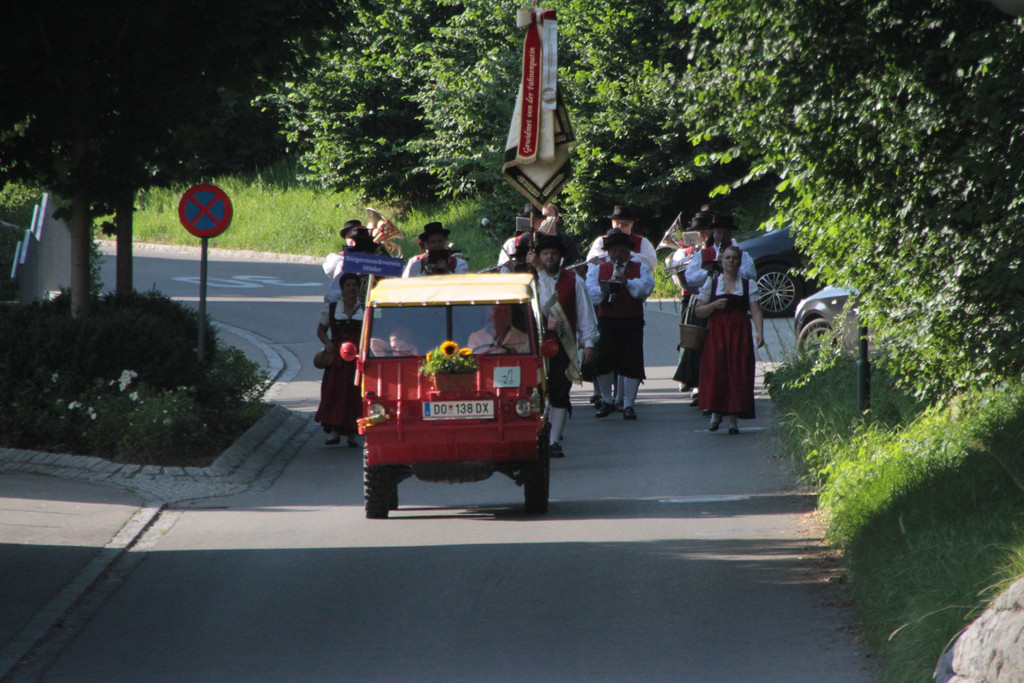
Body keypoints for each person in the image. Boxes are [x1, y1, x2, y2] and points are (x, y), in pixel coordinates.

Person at [531, 234, 597, 457]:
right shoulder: (530, 282)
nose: (550, 257)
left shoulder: (574, 280)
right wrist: (542, 321)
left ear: (560, 257)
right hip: (533, 348)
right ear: (538, 257)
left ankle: (553, 440)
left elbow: (585, 312)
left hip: (562, 346)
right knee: (535, 393)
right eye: (545, 254)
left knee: (560, 391)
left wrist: (588, 342)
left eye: (554, 254)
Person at [695, 245, 765, 434]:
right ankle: (715, 414)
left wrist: (760, 332)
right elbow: (699, 310)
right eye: (727, 258)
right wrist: (714, 305)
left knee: (737, 372)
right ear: (722, 261)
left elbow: (756, 310)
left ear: (739, 261)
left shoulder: (747, 284)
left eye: (734, 258)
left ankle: (733, 420)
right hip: (717, 333)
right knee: (717, 371)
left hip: (739, 332)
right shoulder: (712, 283)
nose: (730, 261)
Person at [586, 229, 654, 420]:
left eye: (621, 251)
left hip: (631, 319)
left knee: (631, 361)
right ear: (608, 252)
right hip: (607, 319)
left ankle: (628, 404)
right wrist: (606, 289)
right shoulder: (598, 268)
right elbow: (591, 294)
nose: (618, 255)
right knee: (604, 360)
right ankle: (607, 400)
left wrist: (627, 282)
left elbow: (644, 290)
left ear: (628, 252)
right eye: (614, 251)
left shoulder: (640, 267)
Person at [668, 207, 716, 405]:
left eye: (705, 232)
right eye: (699, 233)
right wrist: (690, 258)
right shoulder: (684, 251)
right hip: (690, 296)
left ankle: (700, 378)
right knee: (688, 336)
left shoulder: (719, 249)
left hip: (711, 297)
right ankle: (686, 376)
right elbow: (678, 278)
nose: (702, 236)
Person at [314, 272, 364, 446]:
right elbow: (321, 330)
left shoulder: (365, 309)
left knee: (354, 393)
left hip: (358, 357)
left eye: (354, 285)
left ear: (359, 288)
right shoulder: (332, 308)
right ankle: (334, 432)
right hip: (337, 358)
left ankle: (351, 434)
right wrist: (327, 343)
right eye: (348, 285)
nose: (351, 288)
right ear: (342, 288)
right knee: (334, 391)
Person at [500, 203, 581, 274]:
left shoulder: (565, 240)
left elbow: (574, 264)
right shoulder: (525, 239)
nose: (538, 222)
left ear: (556, 218)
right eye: (534, 219)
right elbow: (520, 265)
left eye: (546, 218)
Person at [585, 205, 658, 271]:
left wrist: (631, 257)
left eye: (624, 224)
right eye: (617, 223)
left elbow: (651, 265)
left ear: (631, 224)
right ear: (612, 223)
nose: (620, 226)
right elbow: (590, 262)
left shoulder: (642, 242)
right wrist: (607, 264)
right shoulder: (601, 241)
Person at [324, 219, 377, 303]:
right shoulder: (341, 258)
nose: (352, 241)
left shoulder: (375, 255)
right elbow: (329, 270)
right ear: (345, 239)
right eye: (349, 237)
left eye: (355, 238)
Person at [403, 222, 469, 277]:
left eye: (440, 241)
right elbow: (411, 285)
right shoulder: (416, 264)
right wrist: (424, 270)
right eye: (433, 242)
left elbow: (461, 286)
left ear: (445, 241)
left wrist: (447, 271)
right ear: (426, 244)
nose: (437, 245)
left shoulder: (459, 263)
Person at [467, 304, 531, 354]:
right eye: (498, 311)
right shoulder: (475, 338)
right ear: (488, 314)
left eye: (506, 311)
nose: (503, 315)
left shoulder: (524, 339)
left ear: (511, 315)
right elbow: (475, 364)